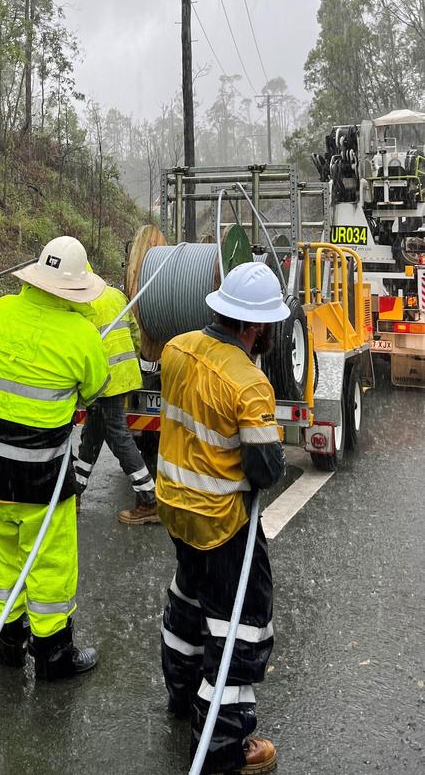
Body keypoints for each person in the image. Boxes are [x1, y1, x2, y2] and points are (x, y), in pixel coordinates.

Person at [156, 262, 289, 774]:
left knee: (187, 603)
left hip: (176, 509)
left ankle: (182, 694)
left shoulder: (176, 348)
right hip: (223, 523)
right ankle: (221, 747)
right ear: (256, 327)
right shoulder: (249, 384)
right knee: (243, 626)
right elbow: (266, 468)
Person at [0, 236, 110, 680]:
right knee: (48, 563)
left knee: (0, 557)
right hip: (40, 476)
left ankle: (7, 643)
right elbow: (97, 387)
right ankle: (53, 655)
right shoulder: (82, 335)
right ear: (73, 289)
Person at [73, 279, 158, 524]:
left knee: (119, 438)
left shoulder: (80, 302)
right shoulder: (115, 295)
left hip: (103, 380)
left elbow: (80, 347)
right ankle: (75, 493)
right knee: (92, 434)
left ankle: (149, 499)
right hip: (124, 375)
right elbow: (134, 333)